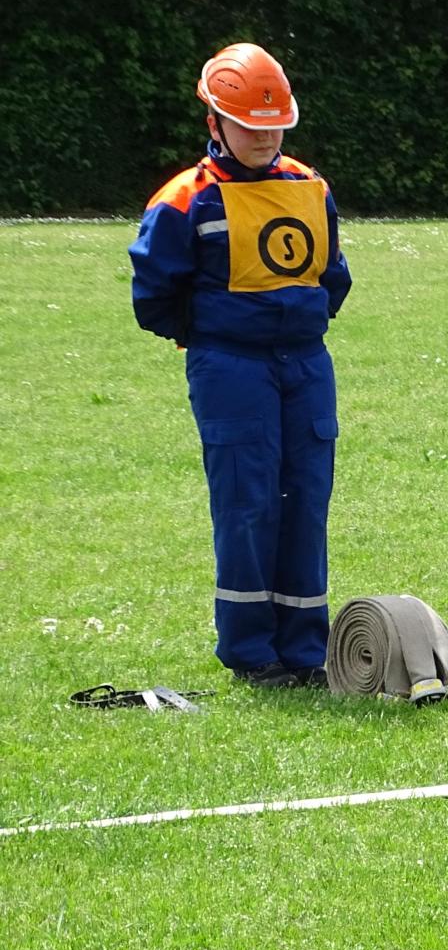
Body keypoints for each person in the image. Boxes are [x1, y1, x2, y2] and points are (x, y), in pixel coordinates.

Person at [128, 43, 351, 687]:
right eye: (251, 126)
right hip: (230, 367)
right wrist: (217, 337)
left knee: (306, 501)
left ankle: (305, 650)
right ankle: (253, 653)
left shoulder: (309, 187)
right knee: (248, 502)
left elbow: (332, 278)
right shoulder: (183, 200)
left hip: (306, 365)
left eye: (275, 123)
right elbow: (154, 296)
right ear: (216, 124)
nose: (265, 136)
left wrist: (292, 323)